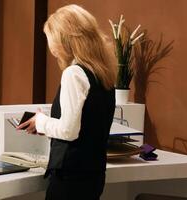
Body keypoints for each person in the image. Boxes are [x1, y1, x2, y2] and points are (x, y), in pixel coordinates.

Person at [17, 4, 117, 200]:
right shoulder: (104, 73)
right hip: (94, 176)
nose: (50, 47)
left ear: (64, 39)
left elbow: (69, 131)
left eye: (50, 39)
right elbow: (87, 126)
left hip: (71, 179)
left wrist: (41, 122)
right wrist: (45, 124)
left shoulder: (74, 73)